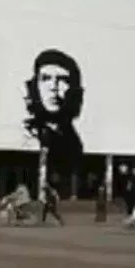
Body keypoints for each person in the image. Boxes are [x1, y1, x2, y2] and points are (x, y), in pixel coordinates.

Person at [23, 49, 85, 181]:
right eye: (45, 79)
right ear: (35, 85)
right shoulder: (26, 134)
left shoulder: (73, 140)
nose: (54, 87)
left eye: (63, 80)